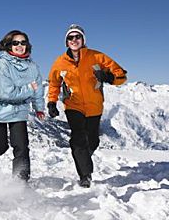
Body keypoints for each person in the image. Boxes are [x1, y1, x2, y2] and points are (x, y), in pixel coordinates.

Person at [47, 24, 127, 188]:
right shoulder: (60, 62)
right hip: (73, 105)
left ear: (83, 40)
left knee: (93, 141)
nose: (74, 40)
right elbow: (54, 84)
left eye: (77, 37)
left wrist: (109, 77)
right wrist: (51, 102)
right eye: (71, 37)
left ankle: (83, 156)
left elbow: (122, 76)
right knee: (78, 139)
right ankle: (85, 175)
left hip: (94, 106)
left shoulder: (97, 57)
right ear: (66, 42)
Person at [0, 30, 45, 181]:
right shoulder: (1, 65)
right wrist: (28, 89)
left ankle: (21, 181)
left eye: (23, 42)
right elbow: (6, 93)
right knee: (1, 146)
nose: (20, 45)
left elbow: (38, 89)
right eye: (15, 43)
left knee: (21, 147)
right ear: (8, 46)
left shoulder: (32, 67)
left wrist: (39, 108)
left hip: (19, 113)